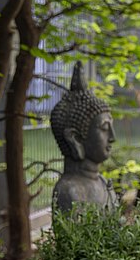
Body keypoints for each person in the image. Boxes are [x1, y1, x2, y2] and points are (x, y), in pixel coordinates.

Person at [50, 63, 118, 213]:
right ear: (76, 139)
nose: (112, 137)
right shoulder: (68, 191)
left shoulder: (104, 184)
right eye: (105, 128)